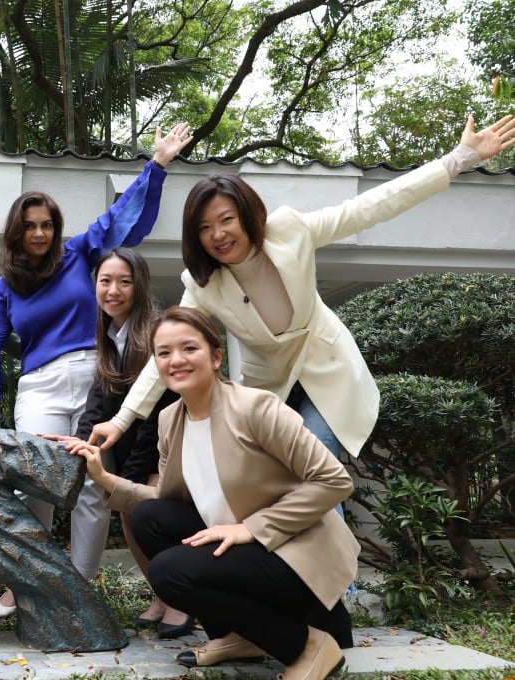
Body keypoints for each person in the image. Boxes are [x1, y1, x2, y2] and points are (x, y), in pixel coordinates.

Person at [91, 115, 515, 469]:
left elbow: (372, 205)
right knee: (283, 490)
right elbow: (166, 353)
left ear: (247, 215)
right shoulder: (201, 285)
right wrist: (123, 420)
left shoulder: (290, 230)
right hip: (269, 390)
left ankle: (336, 573)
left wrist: (460, 158)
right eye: (204, 228)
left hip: (326, 371)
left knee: (317, 471)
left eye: (226, 219)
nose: (217, 234)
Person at [0, 122, 193, 618]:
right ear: (16, 232)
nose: (41, 233)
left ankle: (77, 588)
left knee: (93, 486)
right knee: (33, 485)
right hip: (40, 387)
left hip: (96, 379)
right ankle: (22, 582)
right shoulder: (5, 285)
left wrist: (155, 166)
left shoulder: (78, 255)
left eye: (47, 224)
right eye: (30, 226)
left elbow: (118, 221)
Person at [62, 306, 359, 680]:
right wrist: (103, 478)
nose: (176, 360)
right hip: (245, 549)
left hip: (293, 552)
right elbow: (170, 500)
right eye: (164, 353)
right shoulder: (172, 420)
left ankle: (307, 646)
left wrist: (251, 528)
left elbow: (333, 480)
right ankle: (241, 634)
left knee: (171, 572)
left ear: (216, 356)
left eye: (189, 348)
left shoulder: (256, 408)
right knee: (148, 519)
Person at [72, 247, 186, 637]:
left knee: (152, 520)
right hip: (129, 449)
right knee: (130, 519)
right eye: (105, 281)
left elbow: (158, 407)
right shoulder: (109, 334)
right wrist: (78, 443)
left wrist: (135, 469)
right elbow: (99, 399)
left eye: (124, 281)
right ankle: (162, 595)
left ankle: (182, 602)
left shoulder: (153, 332)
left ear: (140, 286)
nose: (114, 290)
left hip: (160, 449)